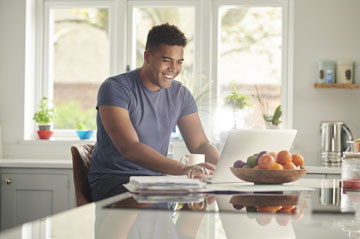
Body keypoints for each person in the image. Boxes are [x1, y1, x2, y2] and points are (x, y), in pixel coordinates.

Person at [89, 23, 219, 202]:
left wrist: (224, 169)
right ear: (147, 56)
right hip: (115, 180)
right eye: (166, 60)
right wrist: (183, 169)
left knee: (204, 204)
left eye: (179, 62)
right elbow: (130, 148)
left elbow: (200, 144)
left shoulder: (181, 94)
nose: (174, 69)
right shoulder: (115, 88)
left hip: (157, 182)